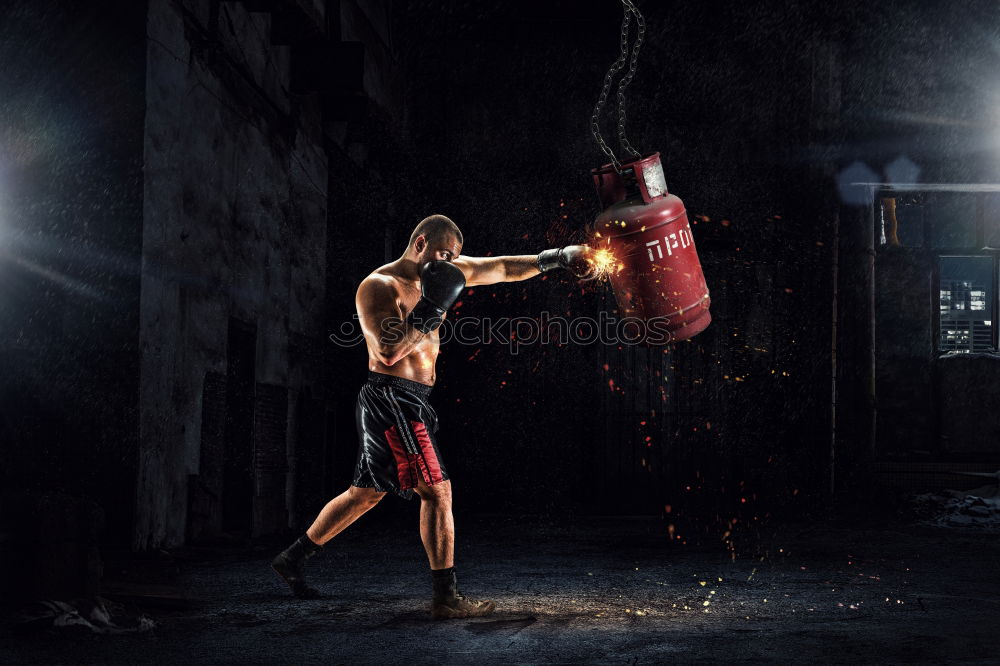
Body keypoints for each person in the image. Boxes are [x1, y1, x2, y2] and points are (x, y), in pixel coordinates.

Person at [271, 214, 593, 619]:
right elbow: (388, 352)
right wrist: (432, 304)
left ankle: (292, 558)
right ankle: (446, 598)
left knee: (367, 493)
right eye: (442, 255)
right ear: (420, 244)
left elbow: (502, 267)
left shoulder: (443, 271)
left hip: (414, 399)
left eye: (453, 258)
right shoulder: (379, 286)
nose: (448, 264)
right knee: (437, 491)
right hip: (392, 399)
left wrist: (559, 258)